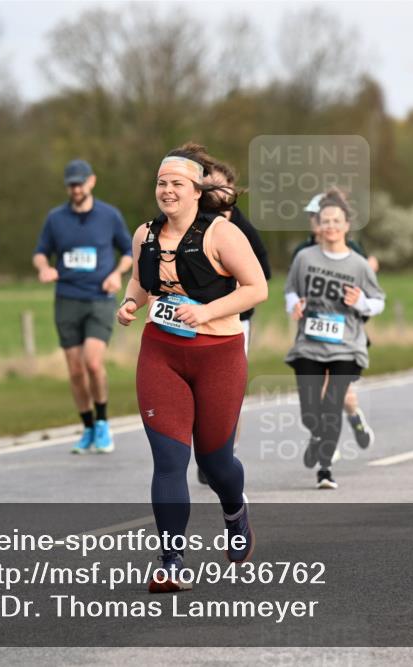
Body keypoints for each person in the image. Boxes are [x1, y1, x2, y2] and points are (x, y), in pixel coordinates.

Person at [116, 144, 267, 592]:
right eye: (161, 183)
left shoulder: (222, 234)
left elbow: (256, 287)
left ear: (197, 191)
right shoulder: (144, 234)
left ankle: (234, 510)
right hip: (161, 353)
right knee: (169, 460)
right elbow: (142, 281)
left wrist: (206, 312)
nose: (167, 191)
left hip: (218, 354)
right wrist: (130, 302)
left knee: (215, 461)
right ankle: (171, 560)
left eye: (176, 184)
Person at [285, 190, 385, 490]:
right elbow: (290, 290)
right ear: (318, 224)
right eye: (325, 221)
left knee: (332, 404)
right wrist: (295, 305)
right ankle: (316, 435)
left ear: (346, 225)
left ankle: (325, 468)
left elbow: (378, 301)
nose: (330, 226)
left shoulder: (358, 263)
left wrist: (360, 303)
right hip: (309, 344)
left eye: (336, 221)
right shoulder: (303, 257)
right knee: (309, 410)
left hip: (346, 345)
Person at [33, 160, 132, 454]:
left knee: (93, 362)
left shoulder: (109, 216)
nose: (76, 188)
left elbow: (128, 251)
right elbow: (41, 253)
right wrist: (44, 269)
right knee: (75, 370)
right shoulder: (55, 219)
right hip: (67, 298)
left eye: (80, 183)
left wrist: (117, 274)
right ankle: (87, 426)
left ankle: (103, 424)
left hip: (100, 298)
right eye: (71, 184)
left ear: (92, 182)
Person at [194, 157, 272, 486]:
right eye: (210, 186)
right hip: (196, 320)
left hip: (237, 321)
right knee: (198, 391)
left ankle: (225, 452)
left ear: (232, 191)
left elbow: (262, 276)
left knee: (228, 392)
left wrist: (233, 291)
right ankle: (205, 450)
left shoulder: (242, 228)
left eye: (223, 186)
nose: (217, 192)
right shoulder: (193, 223)